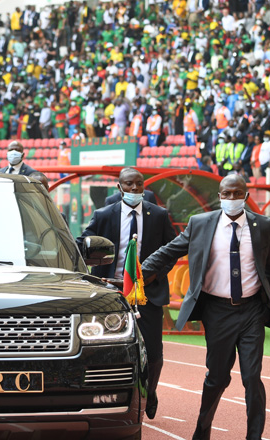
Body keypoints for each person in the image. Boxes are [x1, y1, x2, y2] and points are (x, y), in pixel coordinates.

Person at [141, 174, 270, 440]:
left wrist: (263, 301)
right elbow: (169, 251)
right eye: (226, 194)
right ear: (219, 196)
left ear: (246, 196)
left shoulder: (263, 225)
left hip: (251, 311)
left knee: (252, 378)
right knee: (216, 378)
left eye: (237, 193)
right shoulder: (201, 224)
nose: (231, 199)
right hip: (217, 312)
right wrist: (139, 271)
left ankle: (254, 436)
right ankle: (202, 430)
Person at [76, 168, 177, 421]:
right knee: (106, 350)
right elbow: (85, 241)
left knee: (153, 353)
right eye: (129, 185)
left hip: (147, 292)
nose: (134, 190)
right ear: (120, 187)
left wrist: (155, 273)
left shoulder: (159, 215)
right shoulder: (104, 215)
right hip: (111, 289)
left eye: (139, 185)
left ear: (144, 187)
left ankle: (150, 392)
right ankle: (105, 398)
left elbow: (173, 247)